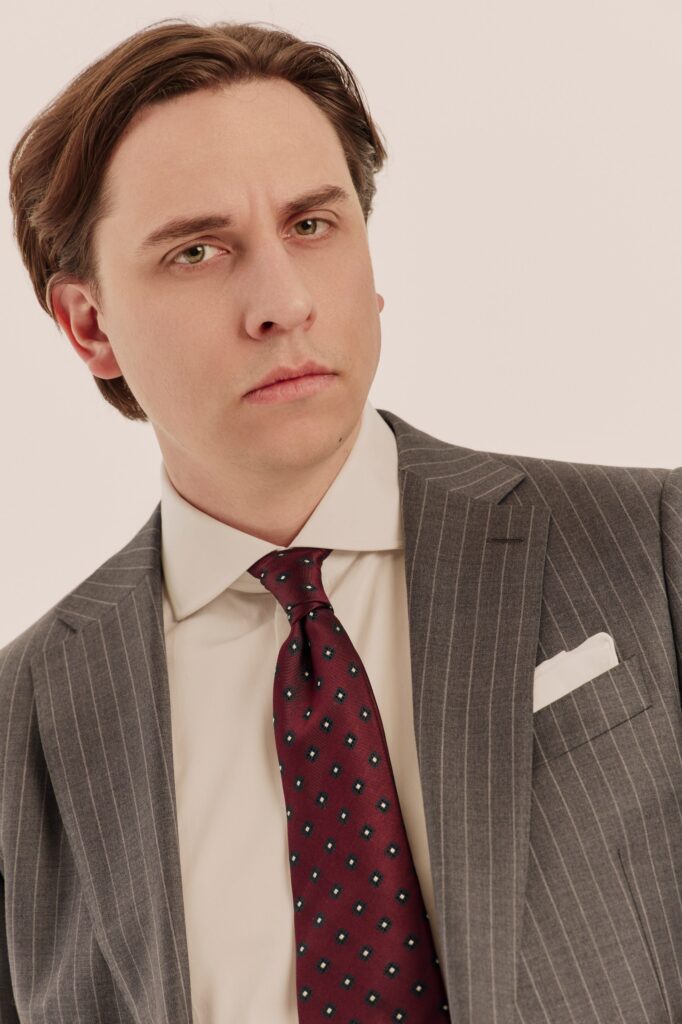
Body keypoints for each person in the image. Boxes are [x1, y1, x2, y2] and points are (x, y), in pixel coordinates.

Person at [1, 17, 681, 1024]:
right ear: (89, 325)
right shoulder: (21, 726)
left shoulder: (652, 544)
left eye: (312, 226)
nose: (281, 302)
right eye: (197, 251)